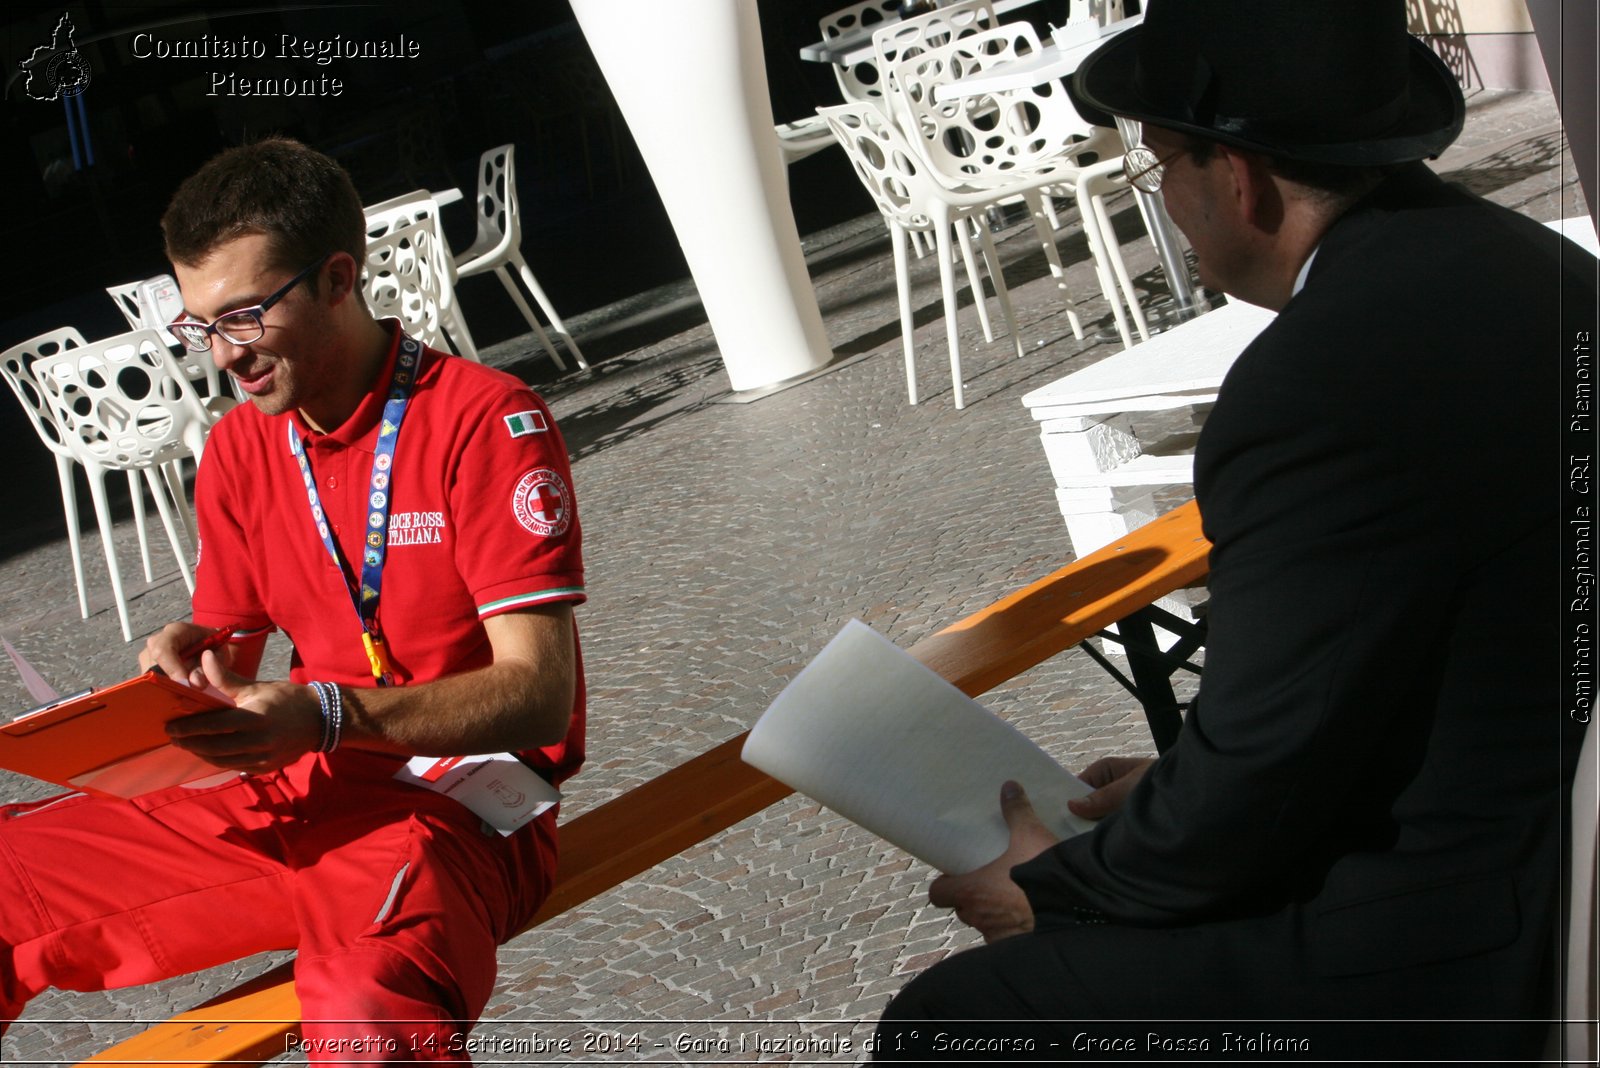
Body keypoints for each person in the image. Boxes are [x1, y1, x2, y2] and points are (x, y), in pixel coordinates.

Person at [876, 1, 1595, 1060]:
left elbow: (1263, 777)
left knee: (956, 1021)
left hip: (1468, 932)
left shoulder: (1314, 384)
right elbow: (1351, 690)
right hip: (1531, 827)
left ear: (1238, 177)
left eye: (1159, 167)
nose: (1162, 201)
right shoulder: (1534, 266)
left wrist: (1053, 887)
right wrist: (1163, 794)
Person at [0, 138, 587, 1060]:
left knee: (364, 1005)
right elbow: (226, 652)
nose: (222, 357)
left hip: (461, 809)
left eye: (242, 317)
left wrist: (323, 715)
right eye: (199, 326)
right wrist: (187, 663)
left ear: (339, 278)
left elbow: (540, 693)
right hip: (291, 793)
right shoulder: (239, 449)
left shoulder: (484, 420)